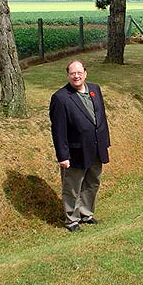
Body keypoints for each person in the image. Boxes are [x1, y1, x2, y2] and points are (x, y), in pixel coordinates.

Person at [49, 60, 111, 232]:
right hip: (75, 151)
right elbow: (58, 130)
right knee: (72, 187)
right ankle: (72, 220)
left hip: (96, 148)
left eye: (79, 72)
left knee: (92, 183)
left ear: (85, 73)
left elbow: (101, 118)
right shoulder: (60, 98)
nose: (76, 76)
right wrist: (63, 156)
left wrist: (105, 143)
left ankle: (86, 214)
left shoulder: (95, 89)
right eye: (72, 73)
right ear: (67, 75)